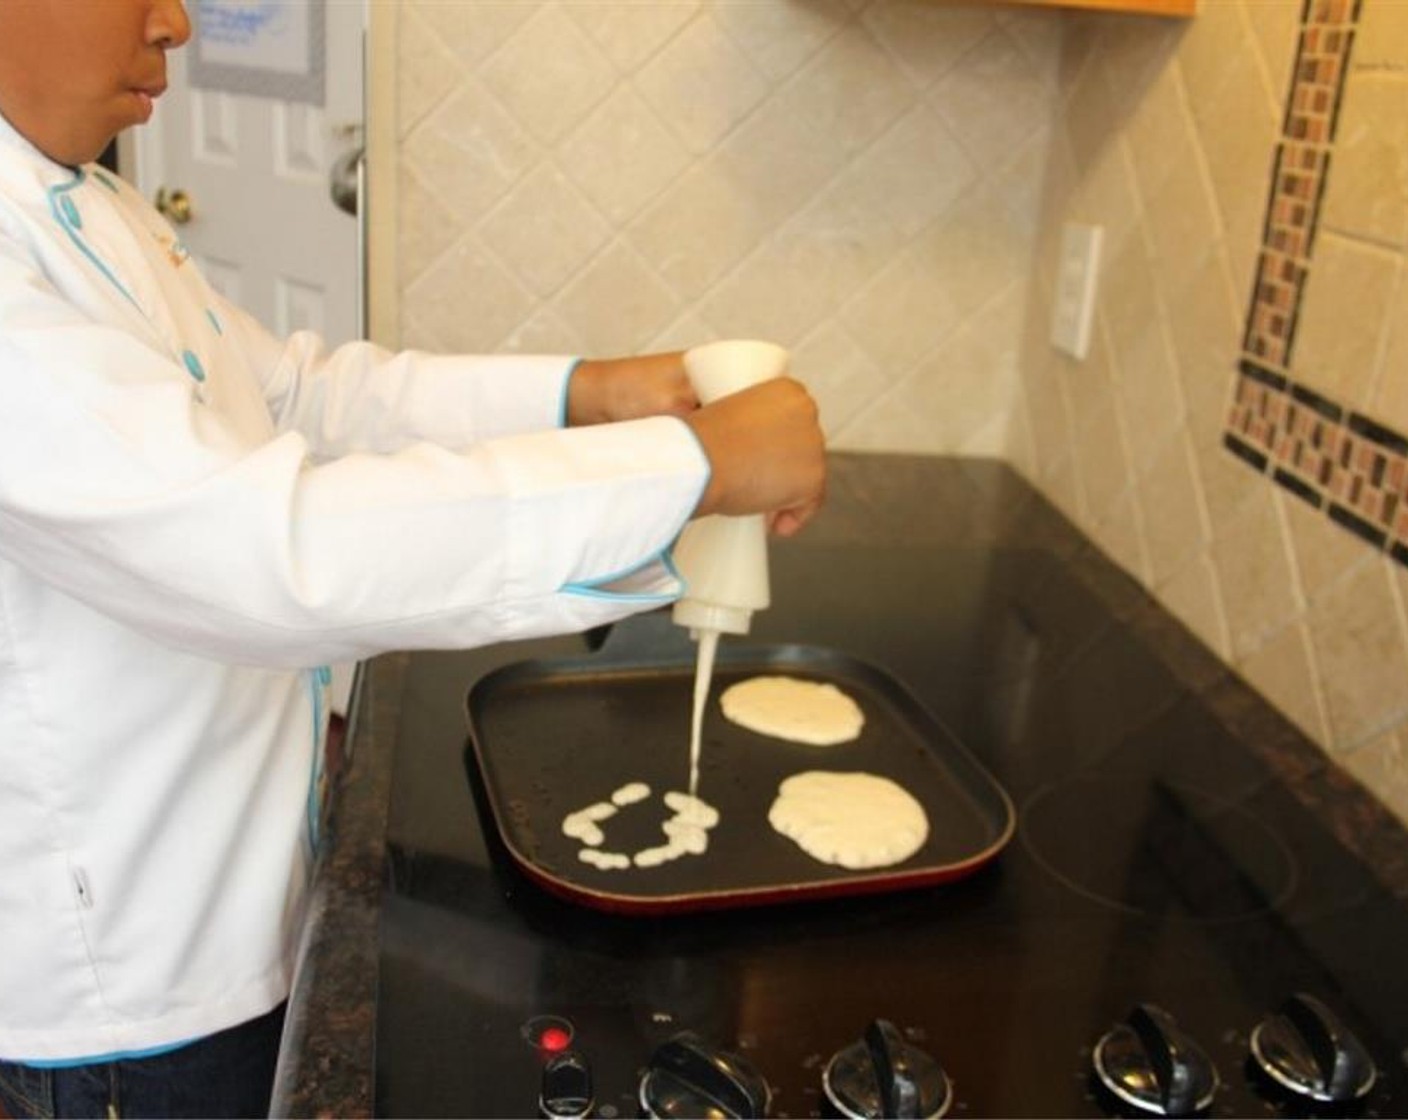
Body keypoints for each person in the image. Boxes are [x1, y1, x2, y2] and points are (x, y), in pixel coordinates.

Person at [0, 1, 826, 1116]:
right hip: (137, 983)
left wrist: (593, 392)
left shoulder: (87, 198)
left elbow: (299, 394)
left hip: (234, 886)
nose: (177, 22)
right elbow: (264, 548)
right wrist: (686, 468)